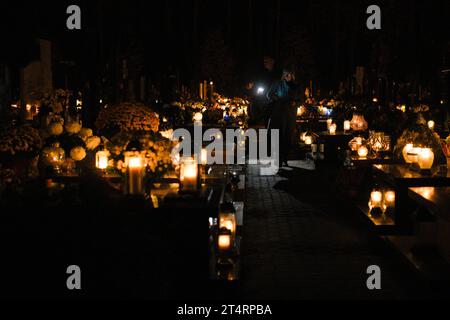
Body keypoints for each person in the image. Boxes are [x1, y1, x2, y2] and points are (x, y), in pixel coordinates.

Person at [266, 65, 301, 167]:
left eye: (290, 74)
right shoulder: (278, 83)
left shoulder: (296, 85)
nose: (288, 76)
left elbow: (301, 99)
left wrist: (296, 103)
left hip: (290, 113)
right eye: (287, 74)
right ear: (284, 74)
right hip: (279, 113)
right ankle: (278, 159)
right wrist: (277, 98)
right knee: (279, 135)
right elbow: (269, 94)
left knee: (288, 136)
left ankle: (285, 158)